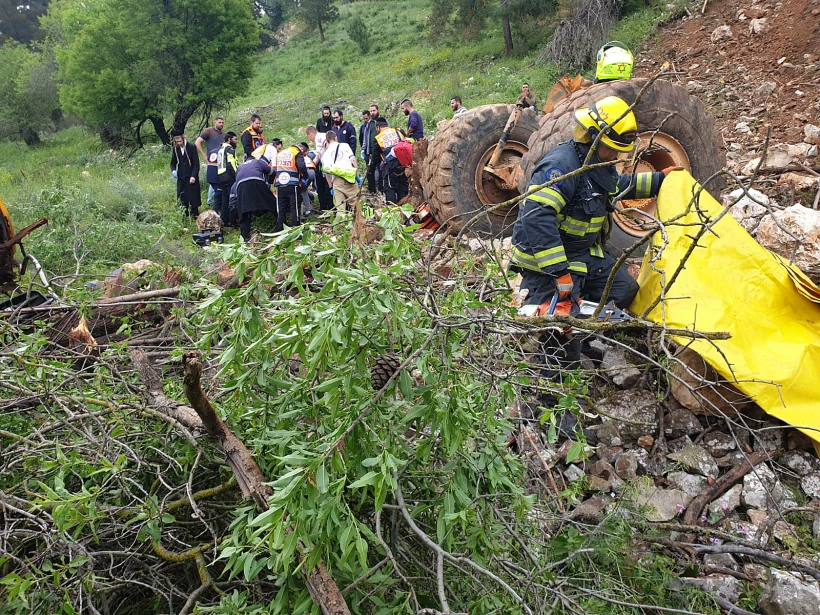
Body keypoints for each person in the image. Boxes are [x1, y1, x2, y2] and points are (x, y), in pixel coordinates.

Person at [509, 96, 680, 373]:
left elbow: (615, 186)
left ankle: (583, 336)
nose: (614, 157)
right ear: (591, 138)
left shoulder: (596, 165)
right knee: (561, 328)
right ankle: (551, 397)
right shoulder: (562, 167)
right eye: (610, 150)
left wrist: (659, 179)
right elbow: (536, 216)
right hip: (546, 263)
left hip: (579, 255)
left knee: (624, 290)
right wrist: (559, 273)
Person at [234, 152, 276, 241]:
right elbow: (272, 172)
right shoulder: (257, 162)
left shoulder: (240, 167)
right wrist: (270, 182)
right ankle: (281, 225)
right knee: (272, 202)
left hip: (241, 186)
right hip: (256, 181)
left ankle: (244, 236)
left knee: (244, 212)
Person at [372, 118, 408, 204]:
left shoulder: (378, 138)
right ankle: (405, 211)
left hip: (390, 167)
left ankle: (393, 213)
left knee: (389, 189)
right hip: (404, 164)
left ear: (378, 127)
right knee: (403, 188)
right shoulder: (399, 131)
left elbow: (375, 157)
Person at [321, 129, 359, 211]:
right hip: (349, 179)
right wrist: (357, 176)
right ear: (336, 138)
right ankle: (359, 223)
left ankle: (341, 223)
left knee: (340, 209)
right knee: (356, 206)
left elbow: (327, 173)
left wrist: (331, 187)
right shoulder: (345, 145)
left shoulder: (325, 155)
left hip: (337, 182)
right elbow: (353, 160)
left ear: (327, 141)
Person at [274, 143, 308, 231]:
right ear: (301, 149)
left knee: (281, 208)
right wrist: (305, 176)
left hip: (279, 184)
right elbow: (301, 166)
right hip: (292, 184)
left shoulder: (280, 153)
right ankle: (295, 228)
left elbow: (274, 167)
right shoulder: (296, 153)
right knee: (295, 207)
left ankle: (281, 228)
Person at [169, 130, 201, 218]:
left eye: (180, 141)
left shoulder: (191, 147)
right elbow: (172, 163)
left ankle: (195, 215)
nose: (179, 143)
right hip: (181, 177)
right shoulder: (176, 148)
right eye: (177, 141)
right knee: (182, 196)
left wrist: (193, 176)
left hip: (191, 176)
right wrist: (173, 170)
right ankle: (185, 215)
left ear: (183, 139)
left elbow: (196, 164)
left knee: (193, 197)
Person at [195, 117, 225, 208]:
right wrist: (204, 155)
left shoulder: (224, 135)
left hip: (221, 162)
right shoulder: (209, 131)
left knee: (218, 182)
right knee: (214, 181)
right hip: (212, 161)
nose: (221, 124)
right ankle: (210, 202)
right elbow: (197, 142)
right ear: (215, 122)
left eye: (223, 122)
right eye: (219, 122)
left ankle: (214, 202)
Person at [306, 125, 334, 211]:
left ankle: (331, 207)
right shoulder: (318, 141)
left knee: (328, 186)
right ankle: (325, 207)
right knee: (323, 186)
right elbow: (319, 155)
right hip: (324, 165)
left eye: (308, 137)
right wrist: (311, 165)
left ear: (310, 134)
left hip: (328, 165)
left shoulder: (320, 136)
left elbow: (329, 145)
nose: (309, 139)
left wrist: (327, 158)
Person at [216, 132, 239, 227]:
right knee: (233, 198)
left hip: (221, 176)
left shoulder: (221, 149)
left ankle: (225, 220)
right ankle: (233, 221)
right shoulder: (229, 148)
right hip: (229, 176)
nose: (236, 141)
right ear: (229, 139)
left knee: (225, 199)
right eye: (235, 139)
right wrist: (237, 174)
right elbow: (231, 163)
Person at [366, 104, 384, 193]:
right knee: (370, 171)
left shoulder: (383, 121)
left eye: (374, 111)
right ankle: (371, 190)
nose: (372, 113)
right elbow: (366, 136)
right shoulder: (369, 123)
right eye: (371, 111)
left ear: (378, 110)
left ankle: (382, 189)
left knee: (381, 171)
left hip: (381, 151)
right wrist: (364, 148)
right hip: (371, 151)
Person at [298, 142, 317, 216]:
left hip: (306, 173)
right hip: (312, 172)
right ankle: (308, 210)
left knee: (300, 190)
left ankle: (302, 211)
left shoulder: (299, 156)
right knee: (304, 190)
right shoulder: (307, 157)